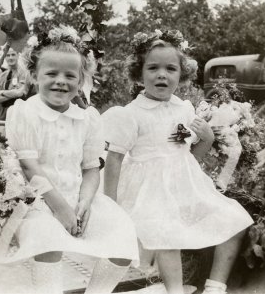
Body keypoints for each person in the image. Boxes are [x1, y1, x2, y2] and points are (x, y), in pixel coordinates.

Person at [102, 30, 254, 294]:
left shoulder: (183, 108)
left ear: (181, 75)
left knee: (236, 221)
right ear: (139, 74)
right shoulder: (130, 114)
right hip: (147, 191)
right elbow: (114, 160)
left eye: (171, 68)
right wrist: (110, 205)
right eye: (153, 68)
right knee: (163, 236)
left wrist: (205, 140)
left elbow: (188, 156)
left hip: (183, 185)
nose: (162, 74)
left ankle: (214, 288)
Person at [5, 26, 139, 294]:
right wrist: (62, 210)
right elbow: (29, 167)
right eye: (51, 74)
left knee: (123, 235)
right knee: (48, 242)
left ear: (81, 80)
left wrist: (85, 202)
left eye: (70, 75)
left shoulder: (87, 118)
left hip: (77, 197)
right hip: (37, 201)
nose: (61, 81)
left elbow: (91, 169)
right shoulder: (25, 112)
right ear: (34, 75)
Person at [0, 47, 28, 120]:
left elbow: (20, 93)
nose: (10, 58)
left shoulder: (24, 73)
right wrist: (13, 93)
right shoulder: (2, 75)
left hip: (18, 112)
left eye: (13, 55)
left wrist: (2, 92)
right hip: (4, 113)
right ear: (5, 57)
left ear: (18, 55)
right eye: (8, 55)